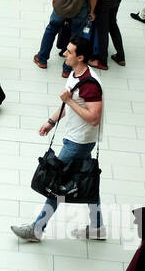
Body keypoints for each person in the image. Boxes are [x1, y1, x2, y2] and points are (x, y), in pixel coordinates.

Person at [12, 37, 106, 241]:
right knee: (87, 179)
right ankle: (97, 226)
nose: (65, 53)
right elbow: (68, 105)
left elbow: (94, 118)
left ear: (80, 57)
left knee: (56, 183)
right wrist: (52, 121)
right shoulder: (75, 73)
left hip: (78, 142)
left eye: (70, 52)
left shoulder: (90, 85)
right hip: (76, 138)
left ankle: (37, 229)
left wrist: (70, 101)